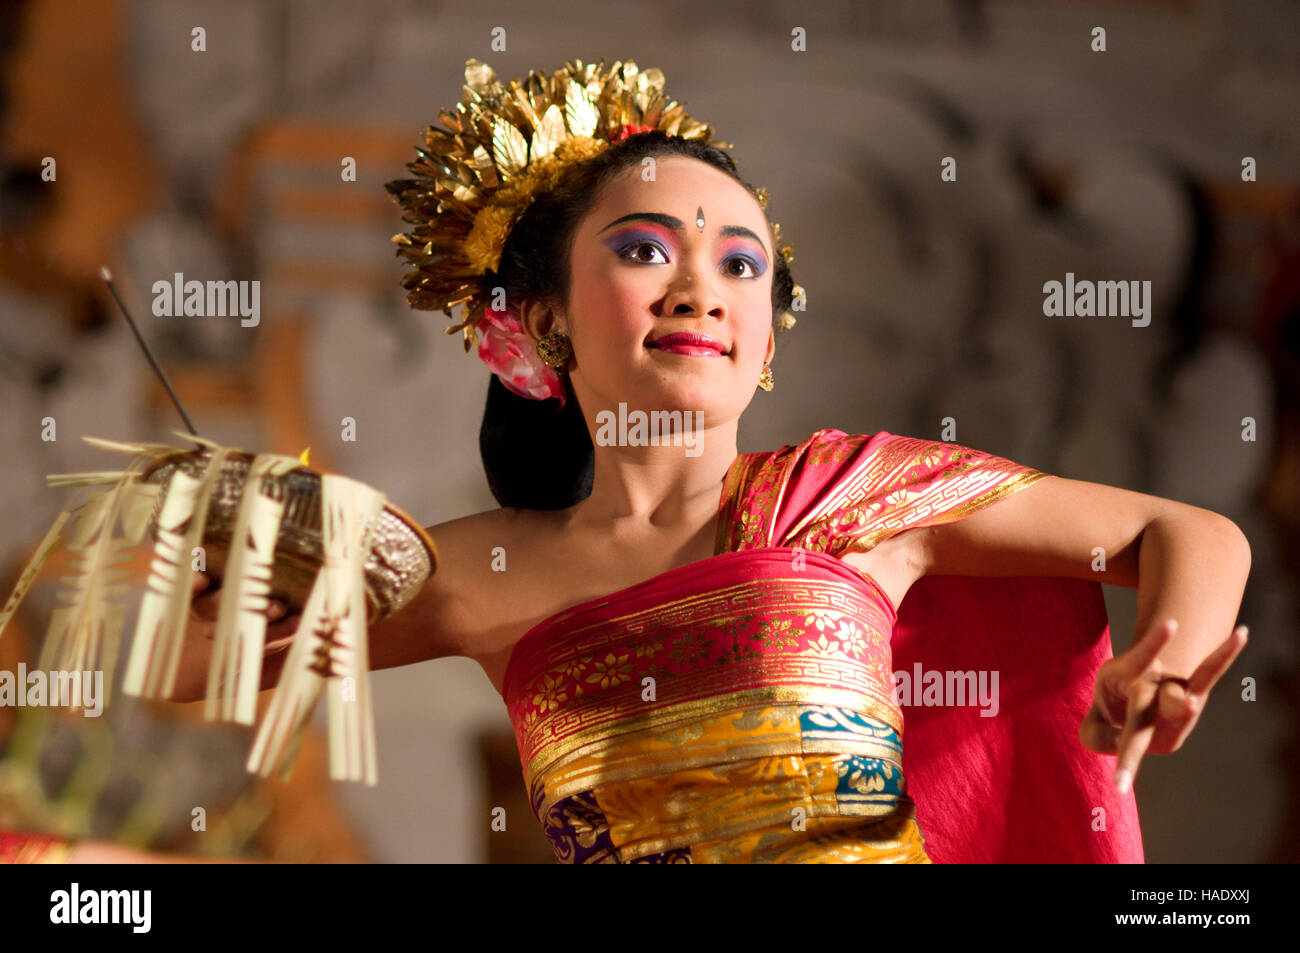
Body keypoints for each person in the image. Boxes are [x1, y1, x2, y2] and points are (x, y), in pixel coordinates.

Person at [4, 58, 1251, 864]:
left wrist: (1169, 657)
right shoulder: (484, 569)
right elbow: (179, 672)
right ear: (542, 320)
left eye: (741, 262)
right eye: (648, 248)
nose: (701, 286)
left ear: (763, 341)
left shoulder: (858, 497)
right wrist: (223, 553)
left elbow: (1189, 535)